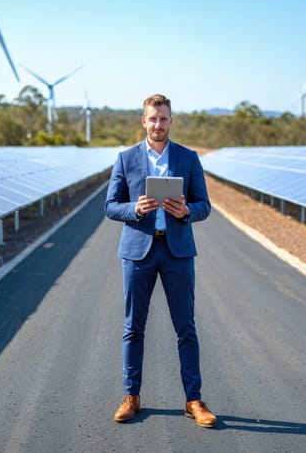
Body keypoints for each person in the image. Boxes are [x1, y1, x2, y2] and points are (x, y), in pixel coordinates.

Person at [105, 93, 216, 427]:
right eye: (152, 119)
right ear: (144, 121)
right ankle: (131, 397)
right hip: (138, 252)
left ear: (171, 121)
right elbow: (110, 205)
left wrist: (186, 211)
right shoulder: (125, 159)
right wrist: (134, 209)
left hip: (177, 251)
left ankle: (193, 401)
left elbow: (204, 205)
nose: (158, 124)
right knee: (133, 328)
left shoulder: (188, 158)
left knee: (186, 329)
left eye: (164, 119)